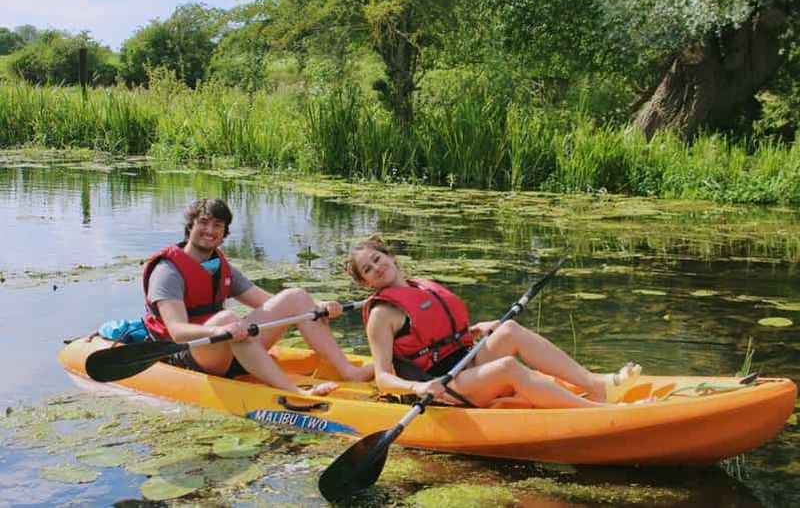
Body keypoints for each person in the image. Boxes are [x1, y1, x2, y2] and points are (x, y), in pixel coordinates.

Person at [345, 235, 641, 408]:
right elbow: (383, 377)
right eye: (368, 269)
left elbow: (440, 337)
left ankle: (595, 385)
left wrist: (474, 331)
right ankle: (592, 410)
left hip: (465, 362)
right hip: (442, 386)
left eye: (377, 259)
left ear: (390, 256)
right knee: (508, 367)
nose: (376, 267)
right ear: (365, 283)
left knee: (509, 330)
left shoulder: (420, 287)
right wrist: (419, 389)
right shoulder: (381, 314)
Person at [143, 198, 373, 396]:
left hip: (229, 345)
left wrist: (318, 306)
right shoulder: (168, 271)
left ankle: (349, 372)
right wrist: (219, 331)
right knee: (227, 319)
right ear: (190, 226)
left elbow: (267, 301)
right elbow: (178, 331)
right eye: (203, 223)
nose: (210, 230)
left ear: (224, 233)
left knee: (295, 296)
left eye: (217, 225)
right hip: (191, 353)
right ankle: (296, 392)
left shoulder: (220, 267)